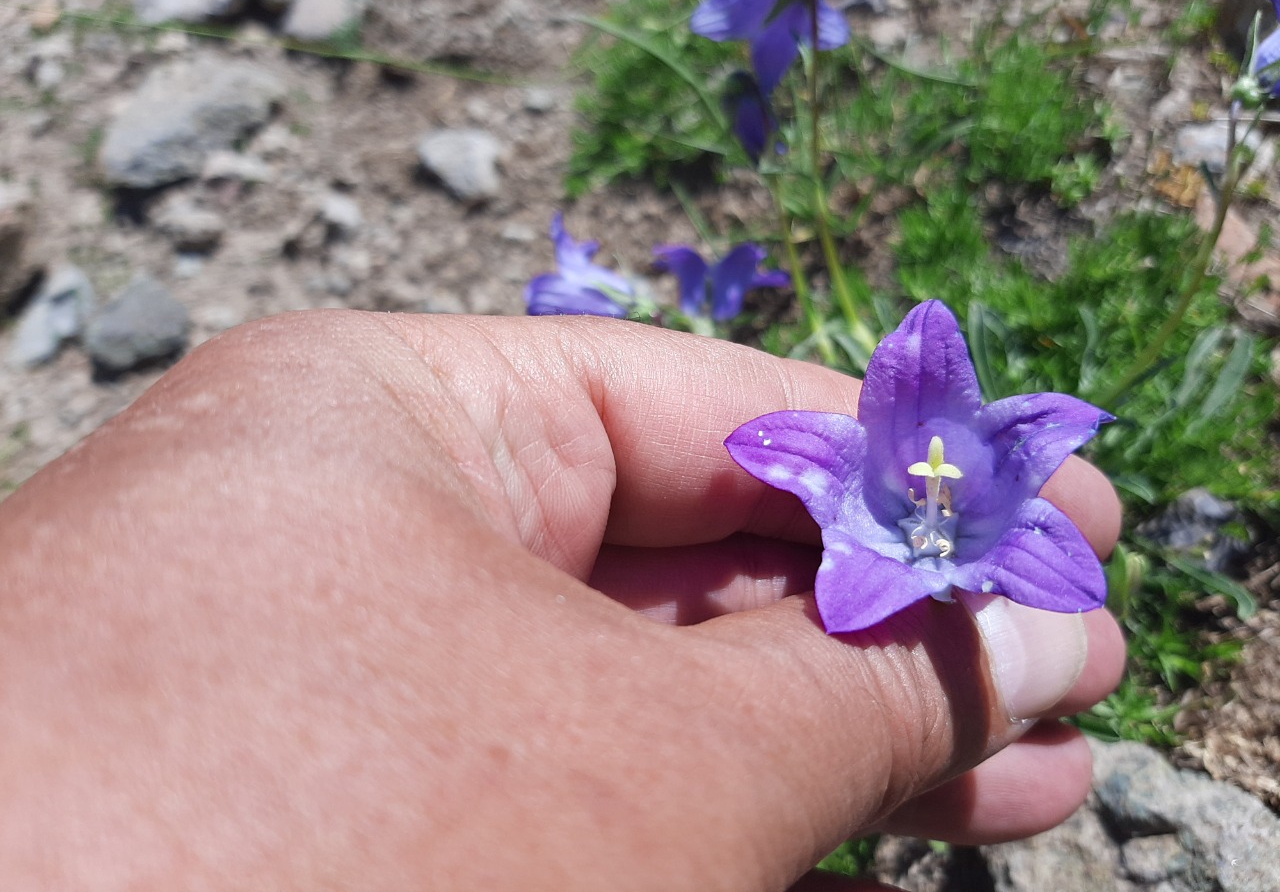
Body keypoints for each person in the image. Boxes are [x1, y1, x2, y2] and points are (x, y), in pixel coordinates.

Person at [0, 310, 1125, 891]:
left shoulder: (1010, 499)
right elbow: (834, 539)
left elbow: (1052, 562)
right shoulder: (854, 487)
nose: (929, 481)